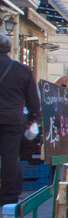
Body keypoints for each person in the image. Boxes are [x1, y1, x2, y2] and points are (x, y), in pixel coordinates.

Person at [0, 35, 39, 206]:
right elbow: (33, 99)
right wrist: (32, 118)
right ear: (9, 49)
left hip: (11, 117)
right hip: (12, 118)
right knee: (10, 157)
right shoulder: (21, 69)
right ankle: (9, 196)